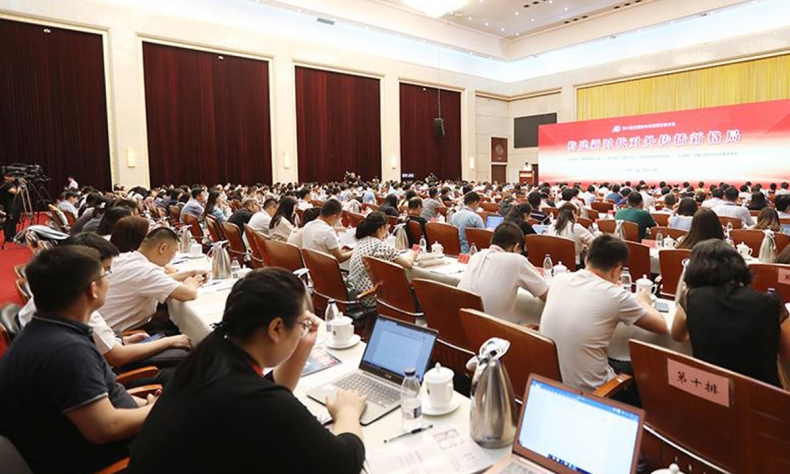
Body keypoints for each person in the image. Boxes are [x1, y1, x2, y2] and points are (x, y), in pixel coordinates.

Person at [128, 269, 367, 473]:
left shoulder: (212, 354)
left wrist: (302, 344)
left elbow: (270, 389)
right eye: (301, 325)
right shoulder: (250, 398)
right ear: (276, 328)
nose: (302, 330)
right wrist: (348, 412)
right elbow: (343, 463)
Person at [0, 246, 158, 474]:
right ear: (93, 289)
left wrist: (144, 405)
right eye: (105, 275)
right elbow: (106, 428)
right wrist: (157, 410)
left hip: (86, 444)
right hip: (112, 459)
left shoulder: (47, 332)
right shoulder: (66, 351)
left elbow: (100, 399)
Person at [16, 233, 191, 377]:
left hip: (100, 368)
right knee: (187, 368)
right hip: (110, 374)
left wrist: (120, 340)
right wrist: (169, 342)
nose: (108, 279)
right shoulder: (75, 311)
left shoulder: (57, 297)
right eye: (106, 271)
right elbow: (116, 358)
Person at [540, 235, 668, 393]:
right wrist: (644, 301)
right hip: (596, 394)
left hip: (551, 385)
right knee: (643, 371)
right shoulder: (615, 295)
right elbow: (661, 326)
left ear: (586, 259)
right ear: (617, 269)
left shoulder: (559, 279)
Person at [671, 239, 790, 387]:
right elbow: (787, 353)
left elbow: (678, 335)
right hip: (760, 393)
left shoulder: (690, 298)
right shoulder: (770, 303)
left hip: (710, 388)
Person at [101, 227, 205, 332]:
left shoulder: (124, 257)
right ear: (162, 248)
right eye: (174, 252)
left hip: (103, 325)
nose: (172, 258)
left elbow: (151, 281)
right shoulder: (146, 271)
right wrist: (192, 283)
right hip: (118, 333)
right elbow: (188, 294)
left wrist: (191, 273)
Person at [458, 222, 548, 324]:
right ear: (516, 246)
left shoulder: (476, 256)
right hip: (493, 329)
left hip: (464, 324)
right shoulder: (517, 261)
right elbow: (546, 294)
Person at [348, 212, 416, 307]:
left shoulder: (362, 241)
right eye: (387, 226)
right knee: (412, 290)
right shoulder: (380, 246)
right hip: (369, 297)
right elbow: (408, 264)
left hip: (355, 292)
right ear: (381, 228)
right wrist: (413, 252)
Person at [1, 172, 18, 245]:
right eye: (11, 176)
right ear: (6, 177)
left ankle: (13, 234)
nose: (13, 178)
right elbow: (15, 192)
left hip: (13, 205)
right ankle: (8, 236)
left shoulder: (12, 184)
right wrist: (20, 187)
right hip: (8, 205)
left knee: (14, 220)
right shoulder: (5, 185)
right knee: (9, 220)